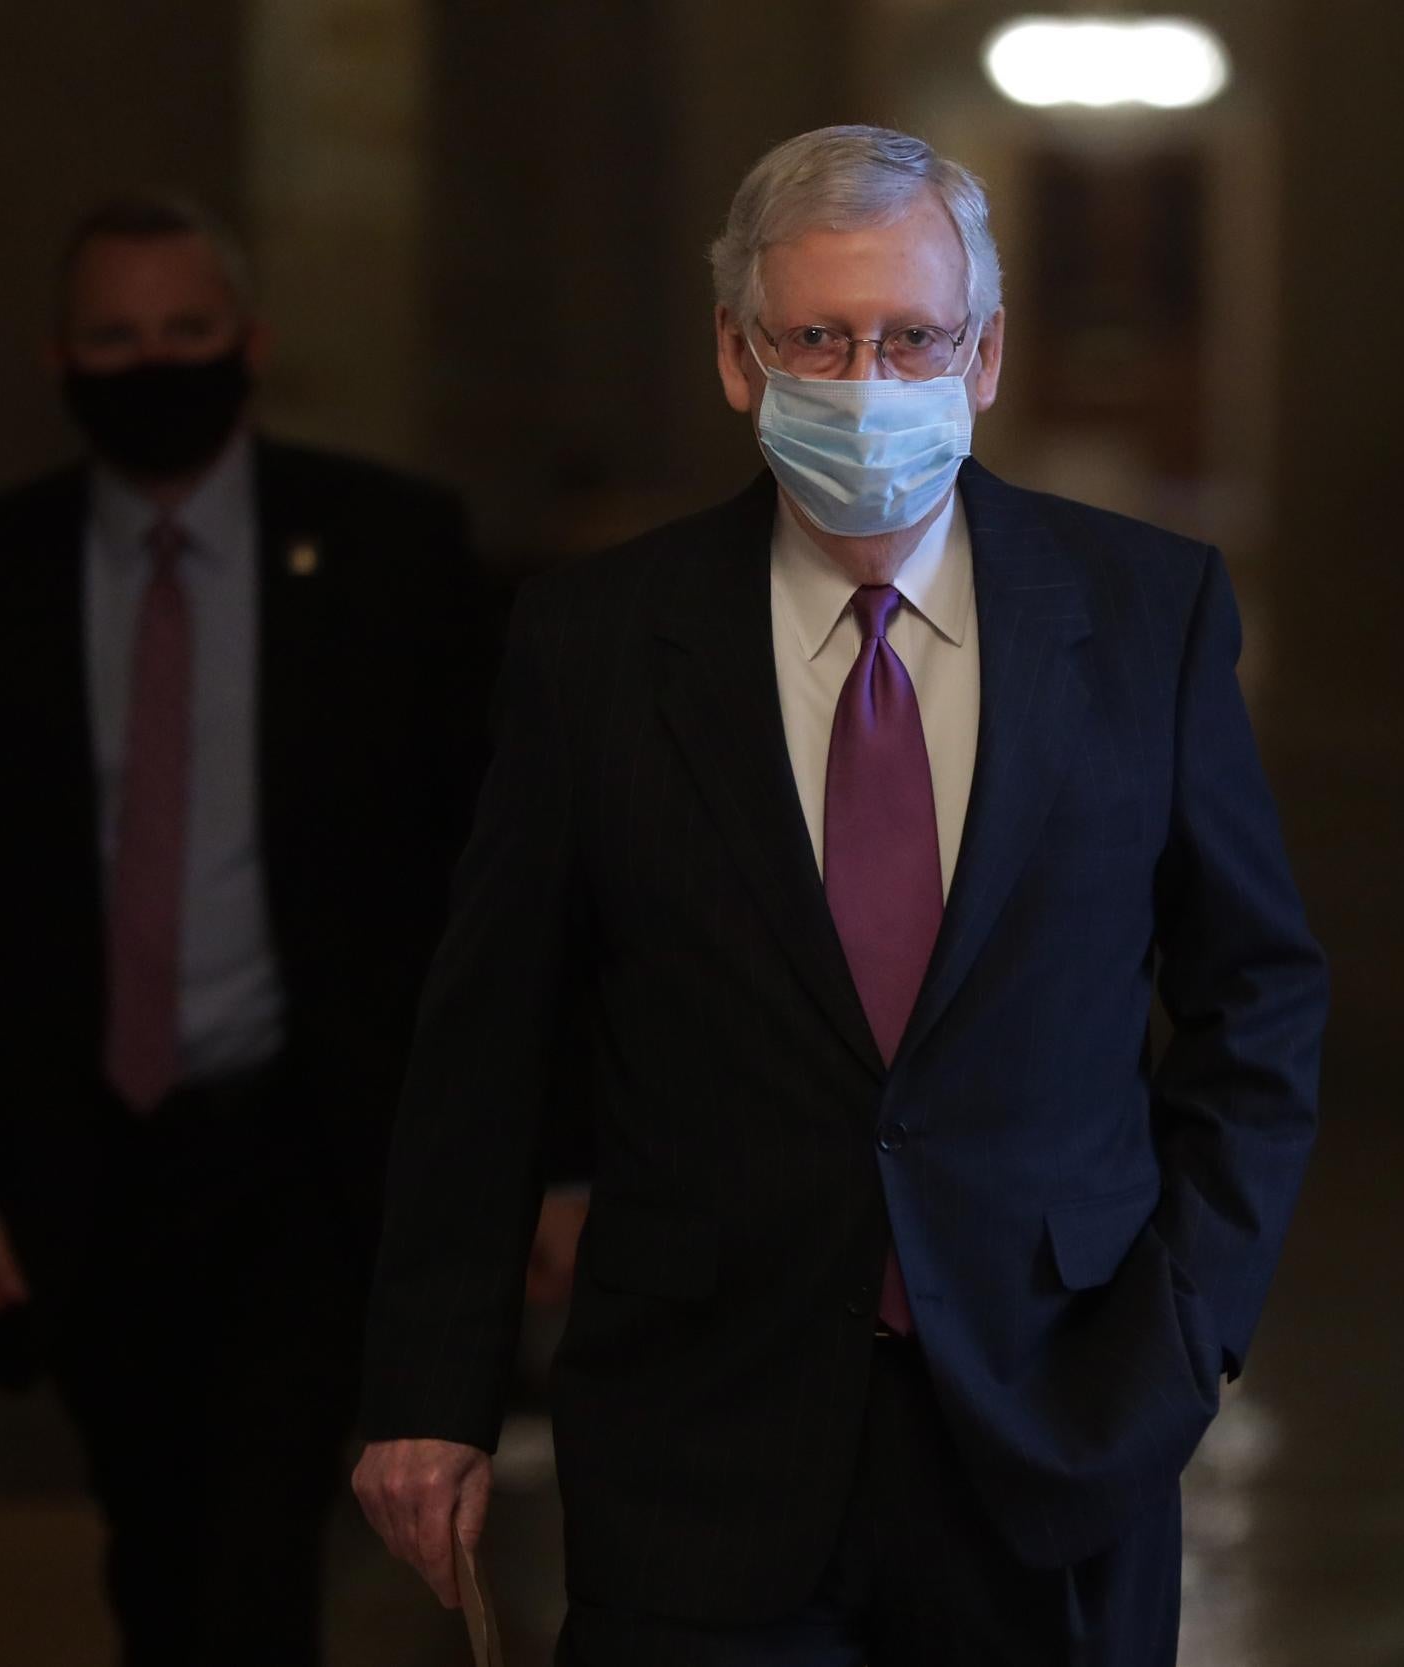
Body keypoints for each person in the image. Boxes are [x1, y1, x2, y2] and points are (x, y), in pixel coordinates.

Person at [352, 126, 1328, 1667]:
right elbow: (487, 1036)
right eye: (818, 337)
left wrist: (1185, 1333)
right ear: (740, 359)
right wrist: (429, 1392)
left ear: (985, 353)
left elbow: (1255, 994)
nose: (865, 380)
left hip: (1054, 1423)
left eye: (911, 337)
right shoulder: (596, 643)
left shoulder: (1145, 612)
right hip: (697, 1439)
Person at [0, 191, 574, 1666]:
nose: (152, 360)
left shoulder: (386, 551)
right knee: (161, 1545)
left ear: (249, 344)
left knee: (250, 1545)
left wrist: (548, 1158)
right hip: (81, 1161)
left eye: (185, 330)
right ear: (58, 358)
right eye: (115, 336)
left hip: (310, 1150)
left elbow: (506, 883)